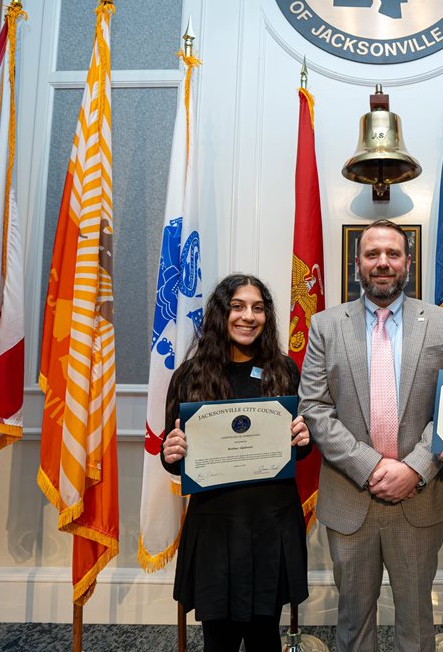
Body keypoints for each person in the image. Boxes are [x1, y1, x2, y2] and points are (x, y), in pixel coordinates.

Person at [299, 219, 443, 652]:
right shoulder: (325, 325)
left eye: (393, 254)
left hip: (420, 494)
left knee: (416, 619)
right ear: (358, 263)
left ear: (408, 262)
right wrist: (371, 467)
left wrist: (414, 468)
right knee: (353, 620)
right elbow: (314, 409)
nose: (383, 263)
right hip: (351, 495)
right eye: (372, 254)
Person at [161, 274, 312, 652]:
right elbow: (173, 459)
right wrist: (171, 452)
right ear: (220, 313)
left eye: (258, 308)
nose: (249, 316)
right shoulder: (190, 376)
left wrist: (304, 440)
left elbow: (299, 450)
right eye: (238, 306)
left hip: (271, 524)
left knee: (265, 636)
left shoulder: (284, 371)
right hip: (215, 527)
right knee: (219, 640)